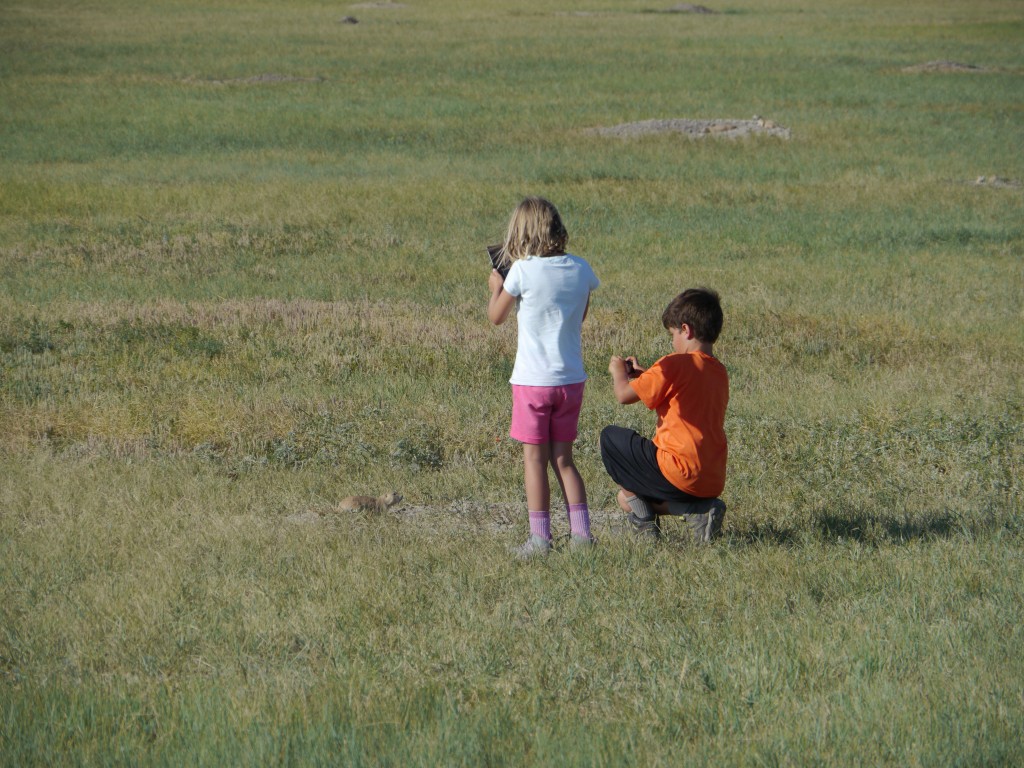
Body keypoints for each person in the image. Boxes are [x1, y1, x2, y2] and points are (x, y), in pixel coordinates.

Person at [487, 197, 600, 558]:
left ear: (521, 234)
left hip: (533, 383)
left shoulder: (520, 271)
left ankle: (540, 540)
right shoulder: (582, 269)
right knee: (564, 459)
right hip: (570, 381)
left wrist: (496, 286)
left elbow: (496, 317)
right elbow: (579, 317)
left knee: (534, 460)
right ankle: (582, 537)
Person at [601, 288, 729, 543]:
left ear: (686, 330)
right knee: (626, 499)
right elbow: (683, 391)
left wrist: (618, 373)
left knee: (610, 438)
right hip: (711, 479)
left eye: (673, 334)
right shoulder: (719, 372)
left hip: (678, 471)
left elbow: (624, 395)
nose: (672, 342)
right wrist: (647, 375)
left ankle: (651, 525)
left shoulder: (673, 364)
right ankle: (697, 510)